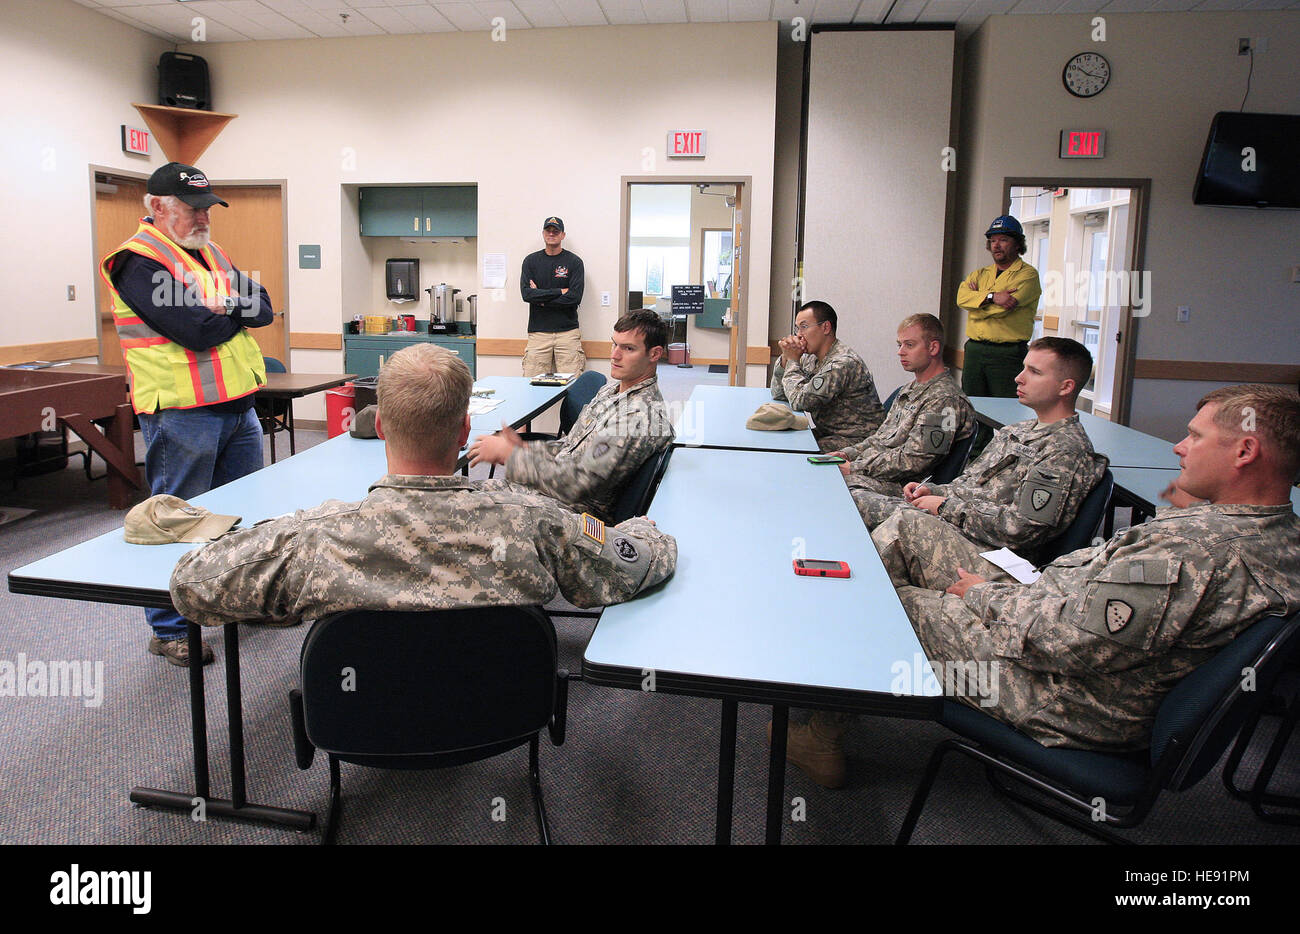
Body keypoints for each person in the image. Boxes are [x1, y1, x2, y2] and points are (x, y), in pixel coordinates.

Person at [779, 384, 1300, 786]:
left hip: (1062, 694)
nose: (1181, 447)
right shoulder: (1272, 532)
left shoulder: (1196, 552)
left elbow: (1069, 645)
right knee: (911, 531)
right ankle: (853, 686)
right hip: (1059, 627)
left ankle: (828, 718)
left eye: (1197, 436)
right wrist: (1001, 591)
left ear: (1245, 451)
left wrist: (980, 596)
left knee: (885, 600)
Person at [170, 344, 677, 625]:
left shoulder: (317, 537)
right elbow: (635, 565)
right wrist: (643, 531)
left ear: (383, 427)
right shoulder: (536, 520)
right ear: (463, 432)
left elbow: (191, 586)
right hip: (502, 707)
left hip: (360, 720)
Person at [101, 161, 274, 668]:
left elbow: (263, 306)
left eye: (207, 208)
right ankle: (171, 628)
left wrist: (219, 307)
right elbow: (193, 329)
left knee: (239, 519)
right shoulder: (138, 261)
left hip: (238, 409)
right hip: (182, 416)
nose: (203, 217)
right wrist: (226, 308)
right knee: (176, 523)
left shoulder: (209, 252)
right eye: (191, 208)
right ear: (157, 207)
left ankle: (232, 601)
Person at [858, 337, 1107, 574]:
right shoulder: (1016, 430)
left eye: (1035, 372)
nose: (1019, 378)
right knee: (858, 500)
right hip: (958, 527)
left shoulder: (1065, 451)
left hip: (991, 556)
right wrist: (934, 491)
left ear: (1066, 387)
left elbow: (1020, 529)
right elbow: (969, 483)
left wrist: (946, 507)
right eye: (1023, 369)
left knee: (901, 526)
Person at [468, 309, 673, 522]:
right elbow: (569, 447)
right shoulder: (611, 391)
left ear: (654, 354)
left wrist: (513, 457)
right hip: (550, 493)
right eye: (614, 344)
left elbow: (579, 484)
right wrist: (524, 449)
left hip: (568, 515)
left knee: (462, 510)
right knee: (461, 494)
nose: (614, 355)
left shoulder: (637, 416)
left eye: (628, 348)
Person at [829, 314, 976, 498]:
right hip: (880, 474)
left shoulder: (945, 400)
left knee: (832, 486)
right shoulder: (909, 389)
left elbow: (915, 460)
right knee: (825, 473)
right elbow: (880, 439)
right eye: (900, 345)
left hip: (907, 488)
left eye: (910, 345)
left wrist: (856, 467)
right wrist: (847, 454)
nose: (901, 352)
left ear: (933, 347)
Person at [770, 300, 883, 452]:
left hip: (857, 441)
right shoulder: (811, 357)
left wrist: (792, 360)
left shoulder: (842, 363)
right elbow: (779, 393)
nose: (799, 335)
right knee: (782, 442)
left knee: (794, 453)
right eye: (797, 328)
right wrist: (785, 358)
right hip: (830, 433)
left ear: (825, 327)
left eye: (804, 327)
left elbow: (799, 401)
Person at [955, 215, 1041, 398]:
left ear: (1017, 244)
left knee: (1006, 406)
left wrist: (976, 306)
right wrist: (993, 296)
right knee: (972, 405)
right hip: (975, 349)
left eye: (1003, 240)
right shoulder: (979, 274)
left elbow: (1002, 310)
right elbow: (961, 299)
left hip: (1007, 353)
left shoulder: (1028, 275)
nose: (996, 245)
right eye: (993, 240)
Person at [520, 216, 585, 377]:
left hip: (568, 333)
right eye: (548, 231)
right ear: (543, 233)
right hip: (538, 334)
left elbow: (574, 298)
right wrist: (559, 291)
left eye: (556, 231)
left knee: (572, 385)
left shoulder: (574, 262)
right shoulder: (531, 261)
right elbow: (527, 294)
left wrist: (541, 300)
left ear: (563, 235)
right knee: (532, 385)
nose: (551, 234)